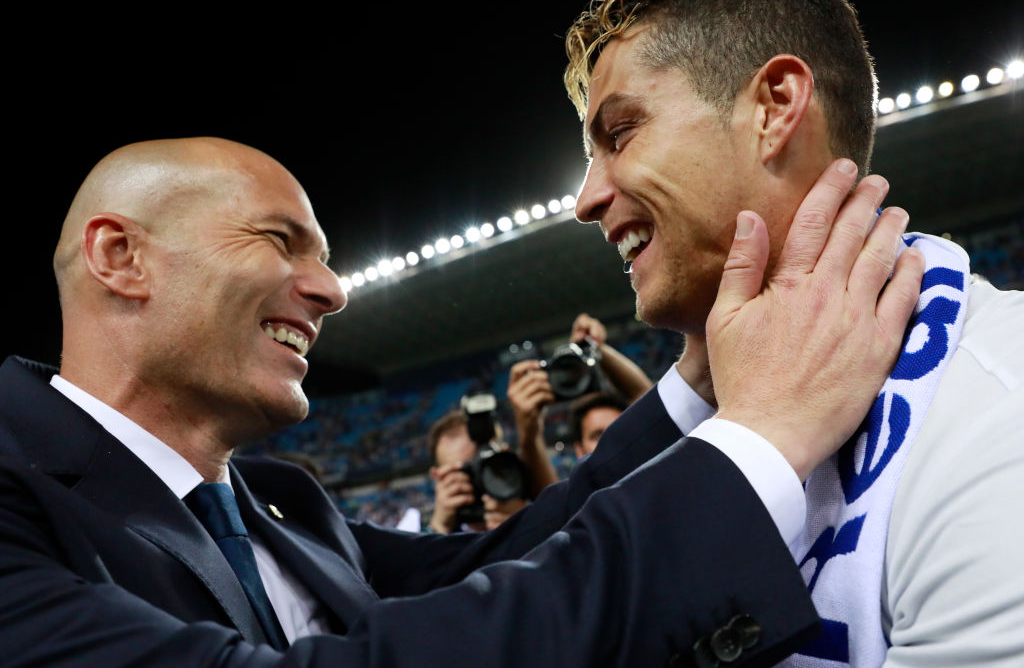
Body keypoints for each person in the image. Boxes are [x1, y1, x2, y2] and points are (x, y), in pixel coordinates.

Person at [0, 135, 919, 667]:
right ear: (120, 258)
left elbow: (521, 556)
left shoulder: (284, 505)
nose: (332, 289)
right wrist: (761, 443)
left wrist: (701, 384)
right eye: (282, 241)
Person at [564, 0, 1024, 666]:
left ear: (775, 107)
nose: (586, 198)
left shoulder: (995, 415)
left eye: (622, 133)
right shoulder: (723, 422)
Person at [508, 312, 653, 487]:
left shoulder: (654, 481)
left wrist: (595, 347)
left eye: (617, 430)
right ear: (579, 450)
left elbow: (647, 400)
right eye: (597, 435)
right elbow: (546, 498)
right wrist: (529, 434)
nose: (609, 440)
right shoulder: (580, 509)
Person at [425, 408, 528, 533]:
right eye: (466, 472)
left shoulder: (540, 511)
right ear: (438, 477)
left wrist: (525, 526)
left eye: (484, 466)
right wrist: (439, 528)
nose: (479, 480)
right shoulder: (433, 540)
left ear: (505, 457)